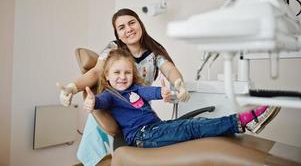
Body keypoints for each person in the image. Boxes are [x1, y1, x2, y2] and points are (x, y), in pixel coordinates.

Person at [83, 48, 281, 148]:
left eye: (126, 72)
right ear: (107, 75)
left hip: (155, 129)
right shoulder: (110, 95)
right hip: (142, 137)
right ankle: (243, 122)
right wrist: (93, 102)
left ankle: (240, 123)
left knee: (194, 124)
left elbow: (149, 92)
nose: (122, 77)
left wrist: (162, 92)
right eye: (116, 73)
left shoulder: (135, 88)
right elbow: (102, 102)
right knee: (191, 127)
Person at [57, 8, 190, 106]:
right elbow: (96, 72)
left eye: (132, 23)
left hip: (139, 110)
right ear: (118, 34)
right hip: (113, 107)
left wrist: (179, 84)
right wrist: (72, 88)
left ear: (140, 24)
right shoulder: (113, 48)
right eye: (121, 27)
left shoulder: (154, 52)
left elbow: (170, 70)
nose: (128, 29)